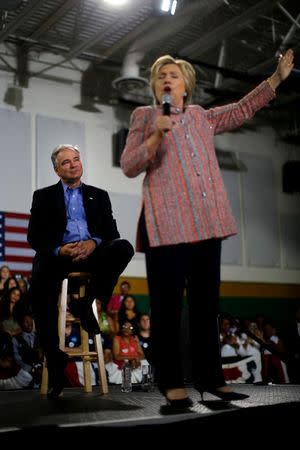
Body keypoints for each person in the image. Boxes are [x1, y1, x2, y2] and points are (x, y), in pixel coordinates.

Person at [120, 49, 294, 412]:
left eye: (174, 75)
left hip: (205, 222)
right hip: (165, 226)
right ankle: (170, 383)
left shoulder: (201, 116)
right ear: (154, 86)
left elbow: (241, 109)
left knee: (204, 308)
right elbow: (129, 165)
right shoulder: (144, 116)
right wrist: (154, 137)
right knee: (167, 310)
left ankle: (211, 379)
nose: (167, 79)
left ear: (186, 86)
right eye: (160, 76)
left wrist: (276, 78)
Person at [27, 144, 134, 398]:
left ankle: (86, 303)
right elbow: (34, 237)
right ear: (57, 170)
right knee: (40, 282)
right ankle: (55, 360)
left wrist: (93, 242)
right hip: (60, 257)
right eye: (66, 162)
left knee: (123, 247)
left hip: (91, 255)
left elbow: (111, 234)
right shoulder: (42, 196)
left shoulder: (99, 194)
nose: (74, 164)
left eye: (76, 159)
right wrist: (58, 250)